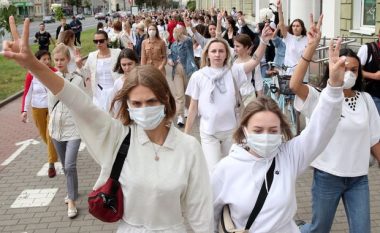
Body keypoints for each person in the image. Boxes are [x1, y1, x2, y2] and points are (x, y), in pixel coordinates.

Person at [1, 16, 213, 232]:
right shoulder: (118, 136)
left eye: (151, 101)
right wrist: (34, 65)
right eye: (136, 103)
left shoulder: (189, 148)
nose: (144, 108)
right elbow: (78, 101)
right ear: (127, 106)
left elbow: (201, 215)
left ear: (165, 100)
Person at [212, 14, 350, 233]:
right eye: (258, 130)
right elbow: (210, 218)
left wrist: (334, 86)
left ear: (282, 131)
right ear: (244, 131)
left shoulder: (289, 156)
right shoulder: (224, 170)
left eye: (273, 130)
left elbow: (321, 128)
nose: (266, 135)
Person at [288, 15, 380, 233]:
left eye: (354, 69)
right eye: (343, 66)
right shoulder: (321, 98)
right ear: (332, 67)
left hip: (358, 179)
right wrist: (311, 46)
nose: (348, 73)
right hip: (327, 176)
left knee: (362, 230)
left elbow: (375, 140)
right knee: (319, 229)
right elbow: (294, 85)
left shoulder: (366, 101)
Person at [184, 24, 273, 172]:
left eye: (221, 51)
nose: (217, 54)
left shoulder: (234, 71)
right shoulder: (198, 76)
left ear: (226, 54)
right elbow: (193, 108)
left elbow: (255, 61)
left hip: (231, 131)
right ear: (207, 54)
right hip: (208, 132)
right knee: (213, 169)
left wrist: (263, 41)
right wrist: (186, 135)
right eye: (213, 51)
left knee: (231, 169)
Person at [50, 43, 88, 218]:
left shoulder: (77, 79)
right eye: (56, 60)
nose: (59, 62)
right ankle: (73, 189)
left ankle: (71, 199)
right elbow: (50, 104)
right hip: (56, 128)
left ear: (68, 59)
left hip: (73, 127)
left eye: (62, 59)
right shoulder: (49, 77)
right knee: (66, 166)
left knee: (70, 164)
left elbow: (83, 102)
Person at [20, 50, 58, 178]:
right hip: (37, 108)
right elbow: (27, 93)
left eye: (48, 59)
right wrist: (24, 111)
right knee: (44, 135)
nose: (47, 61)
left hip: (52, 107)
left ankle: (51, 164)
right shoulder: (31, 74)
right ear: (37, 61)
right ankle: (56, 150)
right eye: (44, 59)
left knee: (50, 134)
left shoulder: (54, 72)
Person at [75, 30, 121, 111]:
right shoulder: (92, 56)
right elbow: (86, 74)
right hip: (99, 94)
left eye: (101, 41)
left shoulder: (117, 53)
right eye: (96, 41)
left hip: (116, 92)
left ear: (107, 40)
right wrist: (80, 66)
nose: (98, 43)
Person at [168, 27, 198, 127]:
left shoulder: (187, 42)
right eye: (174, 32)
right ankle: (180, 116)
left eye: (176, 32)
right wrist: (170, 60)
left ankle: (188, 109)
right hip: (176, 71)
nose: (174, 34)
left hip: (188, 70)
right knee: (179, 94)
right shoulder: (173, 45)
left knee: (187, 93)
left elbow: (189, 41)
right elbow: (170, 55)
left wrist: (181, 34)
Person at [277, 0, 308, 81]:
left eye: (298, 26)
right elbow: (281, 24)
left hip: (302, 72)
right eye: (293, 26)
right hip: (289, 72)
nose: (295, 27)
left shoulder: (307, 39)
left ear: (302, 28)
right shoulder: (289, 37)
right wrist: (280, 10)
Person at [233, 34, 263, 105]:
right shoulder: (232, 61)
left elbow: (258, 82)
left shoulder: (254, 62)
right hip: (234, 97)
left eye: (237, 46)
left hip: (250, 95)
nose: (235, 48)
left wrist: (260, 101)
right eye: (234, 46)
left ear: (246, 47)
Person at [109, 48, 138, 117]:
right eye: (124, 65)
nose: (127, 68)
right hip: (124, 118)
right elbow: (115, 104)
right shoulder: (118, 83)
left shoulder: (142, 79)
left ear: (136, 62)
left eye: (130, 64)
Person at [357, 29, 380, 115]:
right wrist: (374, 75)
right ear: (379, 36)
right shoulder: (367, 49)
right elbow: (355, 71)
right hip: (373, 96)